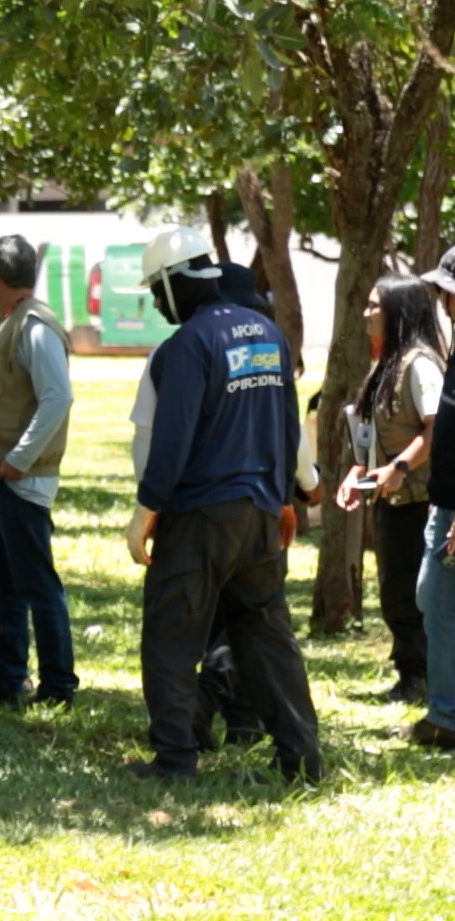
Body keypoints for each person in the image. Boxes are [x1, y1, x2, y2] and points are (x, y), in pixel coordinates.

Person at [123, 226, 322, 781]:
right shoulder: (267, 333)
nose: (158, 303)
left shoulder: (186, 345)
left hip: (201, 518)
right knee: (267, 640)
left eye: (157, 291)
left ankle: (174, 761)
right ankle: (303, 762)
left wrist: (146, 510)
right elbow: (286, 426)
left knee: (169, 636)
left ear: (173, 280)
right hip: (260, 517)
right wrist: (286, 497)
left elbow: (172, 438)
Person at [0, 234, 77, 708]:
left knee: (37, 587)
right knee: (0, 586)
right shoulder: (13, 322)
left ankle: (57, 687)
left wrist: (18, 459)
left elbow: (58, 398)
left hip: (17, 481)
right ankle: (6, 680)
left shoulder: (35, 326)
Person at [333, 273, 442, 705]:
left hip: (418, 500)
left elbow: (438, 429)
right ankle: (410, 676)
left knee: (412, 596)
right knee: (395, 593)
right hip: (390, 498)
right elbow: (371, 430)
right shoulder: (388, 362)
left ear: (399, 311)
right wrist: (358, 470)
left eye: (376, 305)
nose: (366, 313)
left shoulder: (420, 364)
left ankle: (424, 681)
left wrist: (398, 466)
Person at [409, 246, 455, 749]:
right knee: (433, 598)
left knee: (441, 605)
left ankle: (446, 718)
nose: (443, 300)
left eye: (447, 290)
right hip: (444, 504)